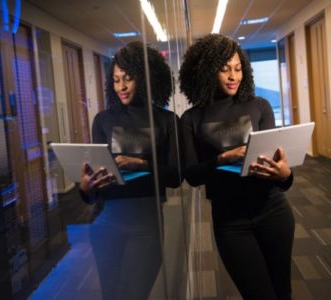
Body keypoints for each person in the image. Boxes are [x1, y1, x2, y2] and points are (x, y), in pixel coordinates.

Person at [179, 33, 295, 300]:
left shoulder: (260, 106)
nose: (233, 76)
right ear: (207, 72)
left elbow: (278, 167)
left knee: (282, 292)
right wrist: (221, 159)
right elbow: (192, 176)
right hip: (231, 222)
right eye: (224, 69)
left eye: (238, 68)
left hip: (273, 211)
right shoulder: (191, 119)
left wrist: (286, 175)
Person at [79, 41, 182, 300]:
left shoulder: (166, 121)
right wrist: (86, 188)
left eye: (128, 78)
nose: (121, 87)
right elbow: (96, 180)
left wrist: (141, 164)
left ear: (146, 78)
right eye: (116, 80)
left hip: (145, 225)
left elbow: (175, 176)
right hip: (105, 222)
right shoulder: (103, 120)